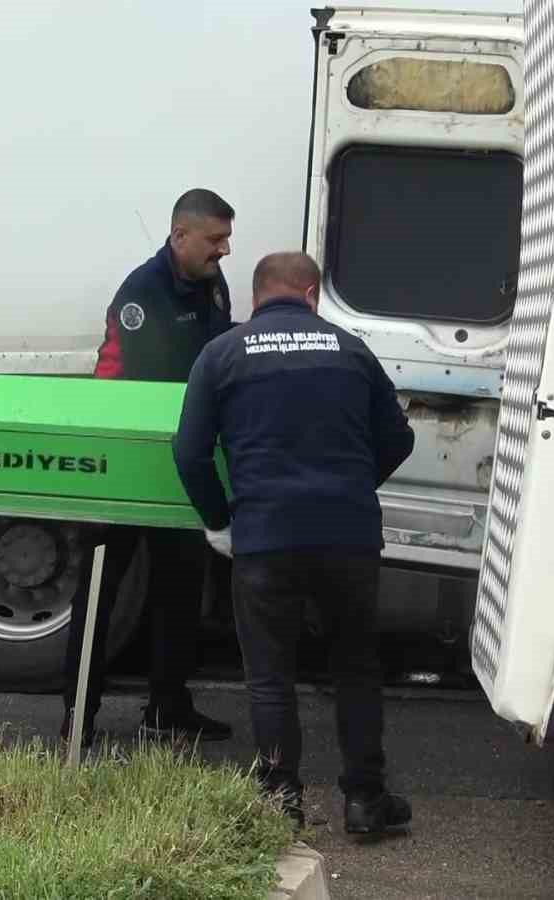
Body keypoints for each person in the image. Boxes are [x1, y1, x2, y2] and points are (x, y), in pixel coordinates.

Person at [171, 251, 415, 833]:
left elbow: (189, 452)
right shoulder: (351, 351)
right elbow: (399, 439)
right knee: (355, 667)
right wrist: (354, 486)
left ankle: (281, 799)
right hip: (348, 535)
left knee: (270, 674)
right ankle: (364, 800)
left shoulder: (222, 354)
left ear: (257, 298)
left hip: (265, 537)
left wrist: (218, 520)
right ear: (311, 295)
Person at [62, 188, 238, 751]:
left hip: (177, 461)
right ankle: (77, 722)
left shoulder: (211, 283)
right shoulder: (142, 292)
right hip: (125, 462)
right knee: (99, 595)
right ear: (180, 236)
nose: (225, 250)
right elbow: (148, 382)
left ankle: (167, 709)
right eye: (215, 239)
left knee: (182, 592)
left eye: (226, 238)